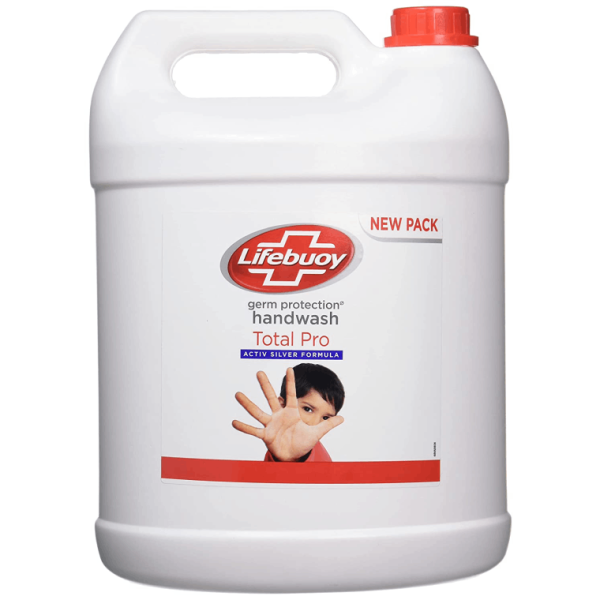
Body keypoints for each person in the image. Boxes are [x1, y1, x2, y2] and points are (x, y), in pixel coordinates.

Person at [232, 364, 345, 462]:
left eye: (325, 418)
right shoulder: (279, 444)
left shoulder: (321, 455)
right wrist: (287, 458)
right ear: (282, 404)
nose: (315, 422)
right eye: (307, 409)